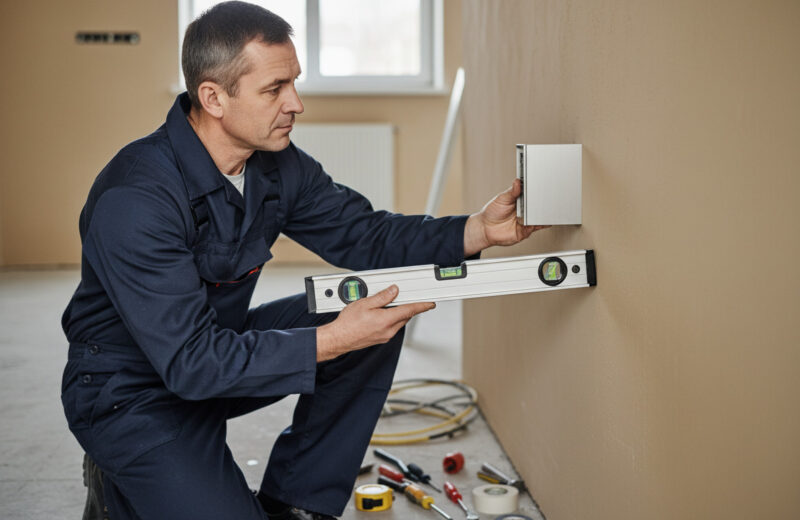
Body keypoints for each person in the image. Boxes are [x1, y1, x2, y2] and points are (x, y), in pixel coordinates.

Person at [60, 2, 547, 519]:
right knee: (345, 333)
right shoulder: (136, 197)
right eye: (274, 89)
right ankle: (116, 482)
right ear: (213, 97)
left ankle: (297, 504)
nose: (296, 104)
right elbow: (190, 364)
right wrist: (335, 339)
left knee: (379, 314)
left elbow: (366, 235)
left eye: (294, 83)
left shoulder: (275, 166)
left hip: (216, 358)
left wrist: (476, 229)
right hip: (130, 394)